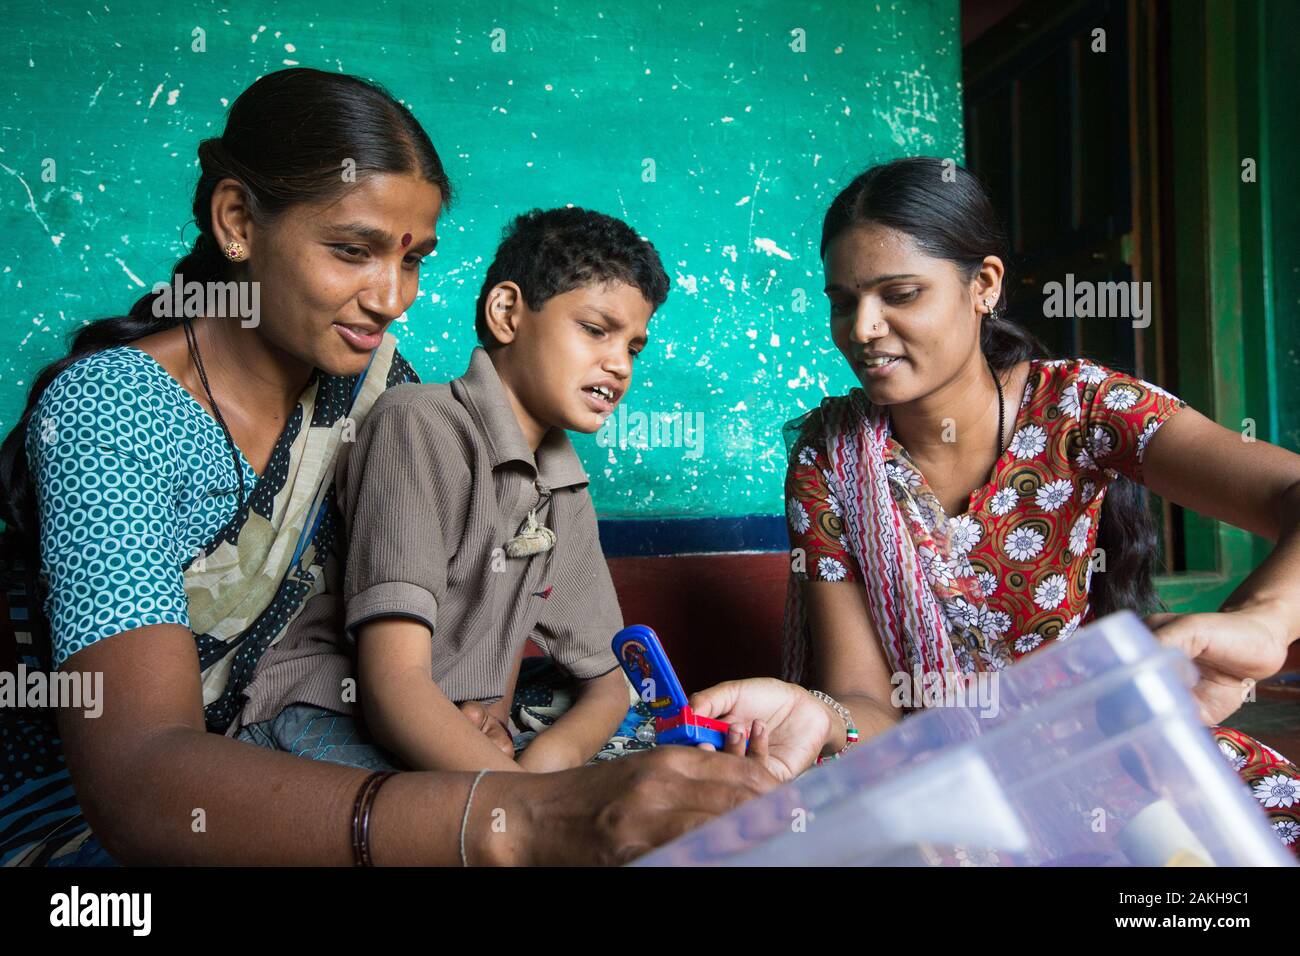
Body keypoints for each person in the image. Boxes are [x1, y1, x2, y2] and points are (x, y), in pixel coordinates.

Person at [0, 67, 775, 867]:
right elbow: (139, 780)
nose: (392, 297)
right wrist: (519, 817)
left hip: (294, 749)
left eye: (413, 262)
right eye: (352, 251)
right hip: (102, 816)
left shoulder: (372, 389)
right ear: (237, 220)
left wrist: (481, 702)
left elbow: (461, 573)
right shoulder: (112, 410)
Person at [688, 157, 1300, 855]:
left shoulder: (1079, 408)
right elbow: (869, 707)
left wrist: (1263, 621)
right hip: (947, 785)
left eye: (900, 294)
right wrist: (818, 715)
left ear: (983, 286)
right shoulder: (832, 460)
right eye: (842, 300)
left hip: (1109, 763)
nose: (862, 328)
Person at [234, 207, 682, 773]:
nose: (618, 364)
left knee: (659, 750)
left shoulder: (563, 486)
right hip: (325, 719)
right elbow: (392, 688)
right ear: (507, 313)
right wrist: (528, 809)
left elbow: (611, 681)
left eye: (634, 348)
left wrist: (542, 771)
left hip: (450, 718)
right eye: (596, 330)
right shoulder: (418, 425)